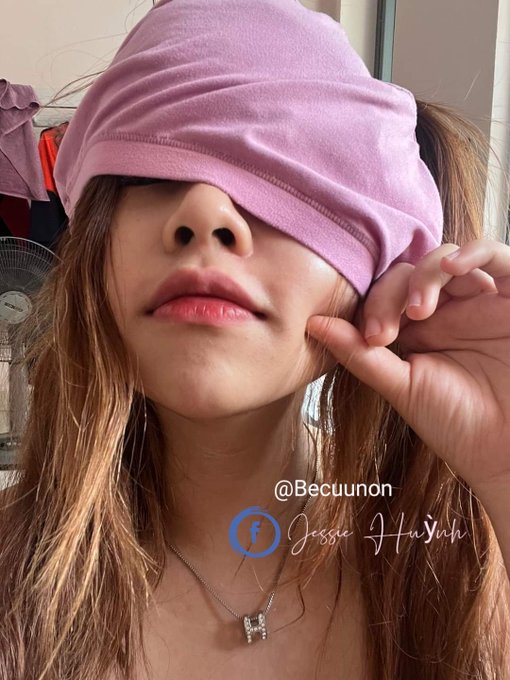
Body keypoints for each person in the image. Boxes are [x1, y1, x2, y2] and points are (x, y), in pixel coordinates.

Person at [1, 0, 509, 678]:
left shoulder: (469, 573)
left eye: (282, 175)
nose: (204, 213)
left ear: (379, 264)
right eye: (149, 174)